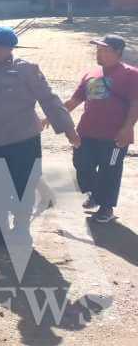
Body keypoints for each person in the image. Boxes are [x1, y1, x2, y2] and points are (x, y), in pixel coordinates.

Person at [0, 26, 80, 241]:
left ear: (9, 48)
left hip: (24, 139)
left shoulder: (26, 70)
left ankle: (21, 230)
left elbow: (49, 100)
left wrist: (68, 129)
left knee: (24, 185)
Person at [60, 35, 137, 223]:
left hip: (115, 136)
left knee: (110, 170)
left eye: (104, 50)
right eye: (98, 49)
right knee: (81, 163)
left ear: (118, 52)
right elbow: (74, 100)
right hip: (86, 132)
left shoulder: (131, 74)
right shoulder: (91, 74)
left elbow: (135, 104)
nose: (99, 53)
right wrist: (51, 116)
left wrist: (127, 128)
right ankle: (95, 193)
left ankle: (106, 207)